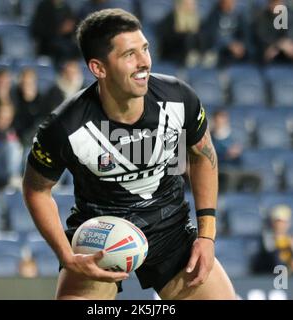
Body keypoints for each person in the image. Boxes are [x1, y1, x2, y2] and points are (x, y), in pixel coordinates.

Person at [22, 9, 235, 300]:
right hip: (100, 240)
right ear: (99, 68)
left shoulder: (178, 98)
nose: (144, 61)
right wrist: (66, 255)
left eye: (145, 49)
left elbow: (201, 157)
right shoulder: (65, 126)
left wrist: (206, 236)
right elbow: (36, 189)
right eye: (129, 55)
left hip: (171, 231)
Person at [253, 205, 293, 274]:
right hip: (270, 273)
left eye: (283, 222)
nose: (280, 225)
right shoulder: (267, 237)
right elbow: (270, 254)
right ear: (272, 222)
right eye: (278, 221)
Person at [200, 0, 248, 67]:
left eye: (233, 2)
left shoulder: (238, 15)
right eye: (228, 2)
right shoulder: (214, 15)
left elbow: (245, 33)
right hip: (217, 46)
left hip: (234, 47)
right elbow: (212, 34)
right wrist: (229, 44)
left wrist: (241, 44)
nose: (231, 5)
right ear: (222, 3)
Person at [156, 0, 202, 66]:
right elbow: (167, 39)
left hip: (186, 50)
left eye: (192, 4)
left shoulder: (195, 17)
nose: (191, 6)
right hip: (172, 52)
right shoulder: (171, 18)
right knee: (188, 37)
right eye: (187, 4)